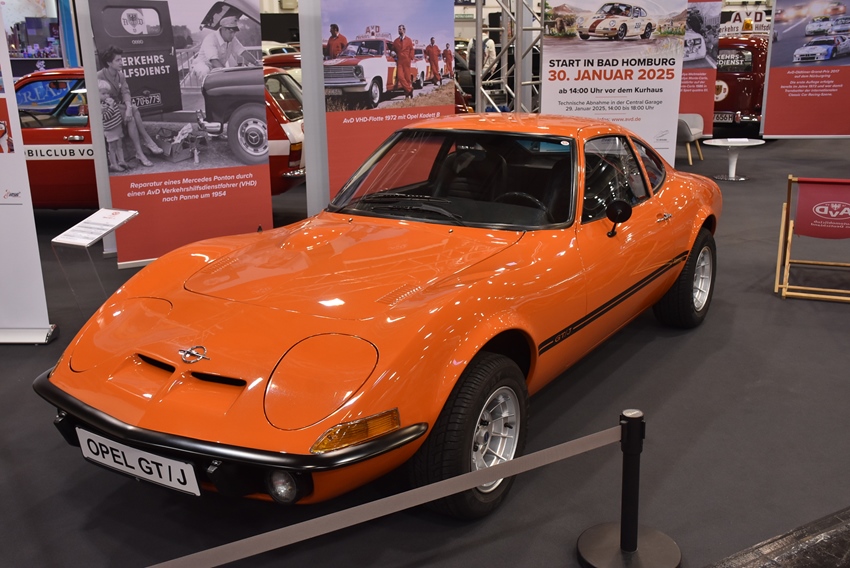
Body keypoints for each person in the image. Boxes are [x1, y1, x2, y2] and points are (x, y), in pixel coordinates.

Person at [97, 45, 163, 167]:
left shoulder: (120, 75)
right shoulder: (99, 76)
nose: (121, 62)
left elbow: (126, 92)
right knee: (133, 113)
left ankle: (142, 149)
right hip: (107, 109)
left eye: (121, 59)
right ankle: (145, 145)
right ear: (109, 63)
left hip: (117, 106)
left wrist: (128, 108)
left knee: (132, 111)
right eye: (118, 60)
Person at [192, 15, 259, 81]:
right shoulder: (211, 39)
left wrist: (256, 63)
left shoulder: (232, 39)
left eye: (234, 32)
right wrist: (227, 75)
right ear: (223, 29)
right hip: (202, 65)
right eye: (231, 32)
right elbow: (214, 61)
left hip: (216, 67)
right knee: (205, 71)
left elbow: (243, 52)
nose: (233, 35)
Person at [98, 79, 128, 172]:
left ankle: (121, 161)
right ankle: (113, 164)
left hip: (117, 126)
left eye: (108, 93)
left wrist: (121, 120)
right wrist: (110, 107)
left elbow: (116, 112)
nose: (107, 95)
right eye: (103, 93)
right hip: (110, 129)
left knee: (119, 144)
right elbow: (106, 117)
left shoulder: (110, 101)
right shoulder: (100, 107)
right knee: (112, 147)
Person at [392, 24, 415, 98]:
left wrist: (410, 57)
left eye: (400, 29)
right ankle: (410, 89)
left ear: (404, 30)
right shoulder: (396, 41)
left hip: (407, 60)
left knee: (407, 78)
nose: (399, 31)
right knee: (400, 77)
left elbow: (412, 49)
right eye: (398, 29)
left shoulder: (408, 40)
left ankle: (407, 94)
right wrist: (393, 53)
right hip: (400, 61)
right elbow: (393, 49)